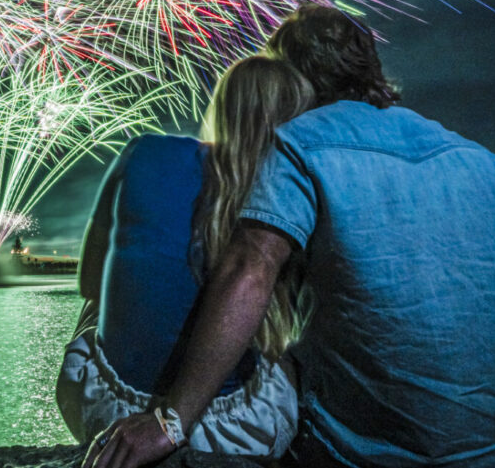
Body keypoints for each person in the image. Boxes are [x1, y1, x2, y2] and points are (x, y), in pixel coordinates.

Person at [83, 4, 495, 468]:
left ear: (294, 79)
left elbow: (250, 268)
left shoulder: (300, 144)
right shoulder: (488, 165)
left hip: (362, 454)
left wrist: (171, 422)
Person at [56, 56, 314, 458]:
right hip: (233, 430)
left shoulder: (142, 150)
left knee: (95, 307)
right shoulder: (284, 189)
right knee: (287, 349)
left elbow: (90, 282)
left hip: (105, 411)